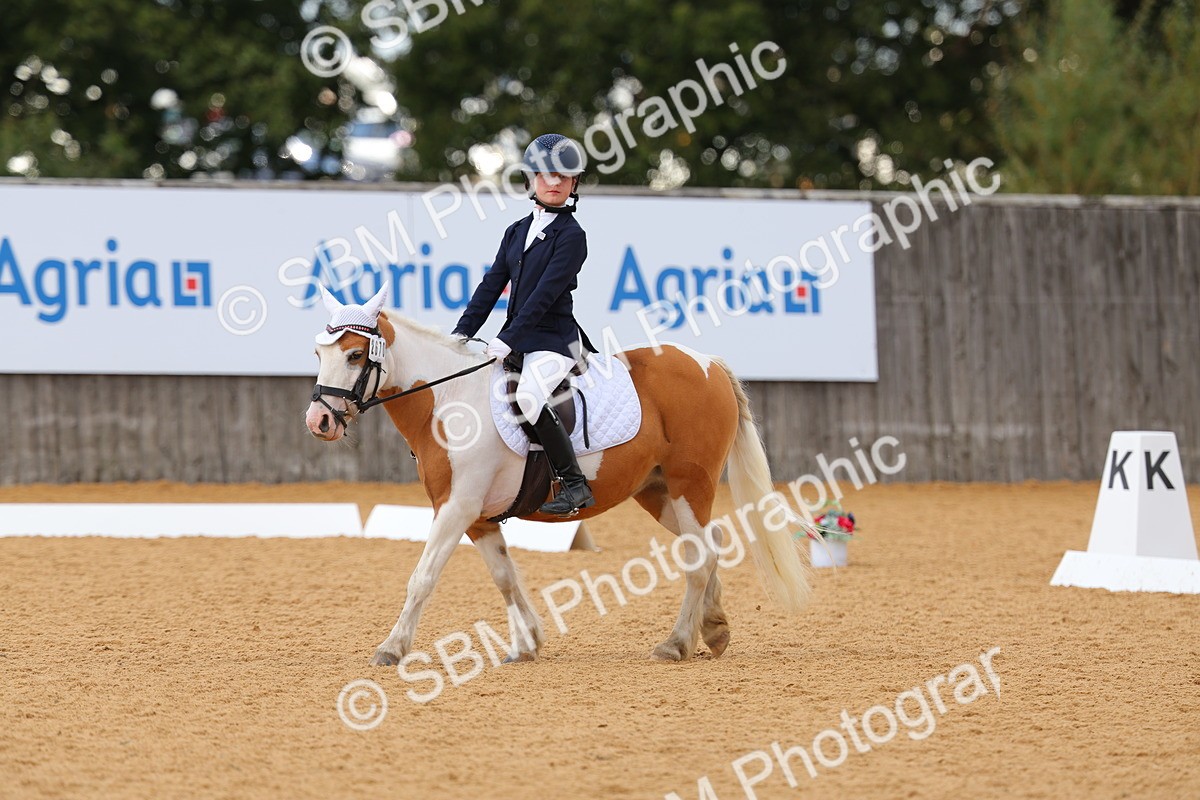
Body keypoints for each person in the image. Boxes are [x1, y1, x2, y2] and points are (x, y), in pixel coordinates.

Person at [452, 133, 597, 516]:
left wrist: (506, 339)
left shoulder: (572, 236)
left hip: (554, 341)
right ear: (531, 178)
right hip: (519, 342)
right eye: (546, 175)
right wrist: (462, 331)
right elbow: (491, 285)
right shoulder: (516, 231)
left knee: (529, 397)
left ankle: (575, 484)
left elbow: (543, 297)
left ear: (573, 184)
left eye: (563, 178)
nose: (554, 183)